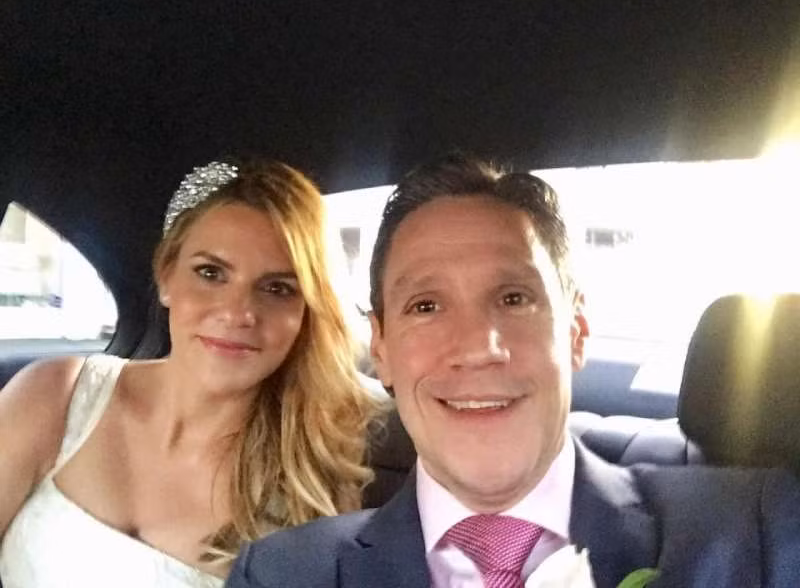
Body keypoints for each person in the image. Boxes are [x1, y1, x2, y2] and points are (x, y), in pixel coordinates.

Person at [226, 153, 800, 588]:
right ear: (381, 348)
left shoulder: (759, 529)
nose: (479, 347)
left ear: (575, 331)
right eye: (426, 306)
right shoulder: (283, 574)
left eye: (514, 298)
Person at [0, 158, 382, 587]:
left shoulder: (310, 485)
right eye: (210, 273)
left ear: (306, 311)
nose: (238, 312)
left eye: (278, 288)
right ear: (166, 277)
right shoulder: (57, 394)